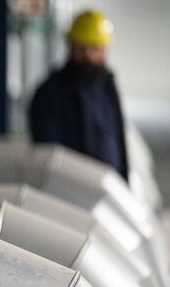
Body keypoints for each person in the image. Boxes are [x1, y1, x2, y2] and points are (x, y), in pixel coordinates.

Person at [29, 10, 129, 179]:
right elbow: (48, 154)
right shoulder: (49, 93)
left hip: (109, 187)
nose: (88, 55)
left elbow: (119, 139)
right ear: (70, 45)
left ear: (104, 50)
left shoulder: (108, 87)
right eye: (82, 48)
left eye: (95, 48)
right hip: (69, 191)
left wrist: (125, 184)